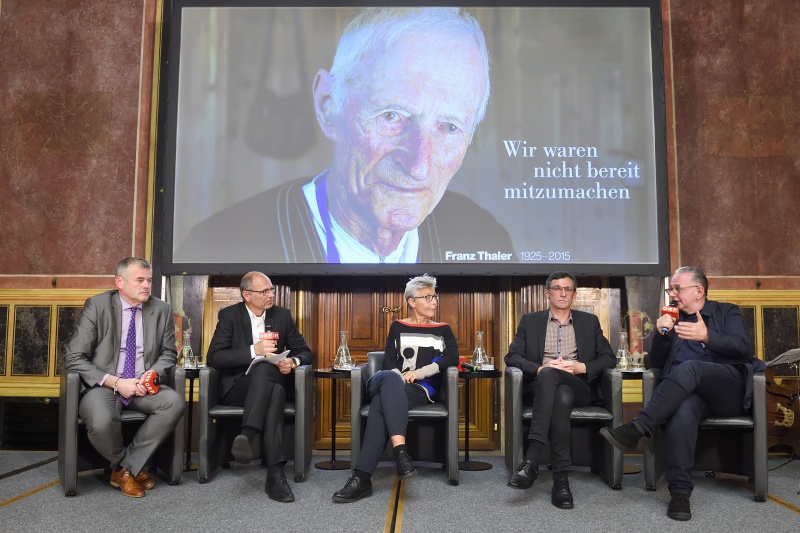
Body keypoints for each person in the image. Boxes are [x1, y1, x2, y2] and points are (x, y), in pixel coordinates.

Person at [176, 7, 514, 264]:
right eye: (392, 116)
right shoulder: (221, 243)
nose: (419, 166)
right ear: (327, 106)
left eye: (449, 127)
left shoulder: (486, 238)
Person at [600, 266, 765, 521]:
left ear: (699, 291)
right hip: (686, 393)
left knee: (691, 367)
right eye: (670, 289)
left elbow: (743, 348)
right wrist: (662, 335)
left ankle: (638, 427)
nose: (672, 293)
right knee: (683, 411)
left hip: (726, 390)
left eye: (678, 288)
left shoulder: (725, 311)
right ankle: (680, 493)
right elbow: (655, 364)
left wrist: (708, 337)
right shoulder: (672, 318)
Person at [63, 257, 185, 498]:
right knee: (100, 421)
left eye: (148, 280)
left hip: (142, 383)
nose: (146, 286)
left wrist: (152, 374)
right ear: (119, 281)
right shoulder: (97, 306)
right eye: (139, 280)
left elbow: (168, 353)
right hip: (104, 384)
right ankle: (125, 468)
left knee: (174, 403)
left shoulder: (161, 309)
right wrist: (116, 382)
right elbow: (73, 357)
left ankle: (124, 470)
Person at [332, 274, 459, 502]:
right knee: (390, 379)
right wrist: (400, 376)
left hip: (419, 389)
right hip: (388, 381)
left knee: (381, 404)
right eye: (427, 297)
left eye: (434, 296)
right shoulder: (397, 326)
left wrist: (418, 374)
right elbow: (390, 361)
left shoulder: (443, 330)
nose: (434, 301)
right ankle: (401, 452)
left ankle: (361, 478)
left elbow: (451, 358)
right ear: (411, 301)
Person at [505, 271, 616, 509]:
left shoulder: (589, 322)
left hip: (579, 387)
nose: (562, 293)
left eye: (567, 289)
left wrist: (581, 366)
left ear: (574, 294)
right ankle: (561, 480)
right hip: (540, 387)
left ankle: (532, 459)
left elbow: (609, 358)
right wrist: (538, 369)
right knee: (557, 390)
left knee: (563, 388)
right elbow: (511, 356)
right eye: (557, 288)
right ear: (548, 293)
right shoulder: (530, 321)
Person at [207, 271, 312, 503]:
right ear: (246, 295)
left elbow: (305, 351)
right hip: (238, 387)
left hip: (271, 384)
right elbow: (214, 358)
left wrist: (292, 362)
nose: (270, 295)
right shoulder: (229, 316)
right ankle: (275, 475)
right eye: (264, 291)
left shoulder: (282, 315)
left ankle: (250, 439)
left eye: (271, 289)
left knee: (271, 383)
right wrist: (254, 351)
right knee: (267, 374)